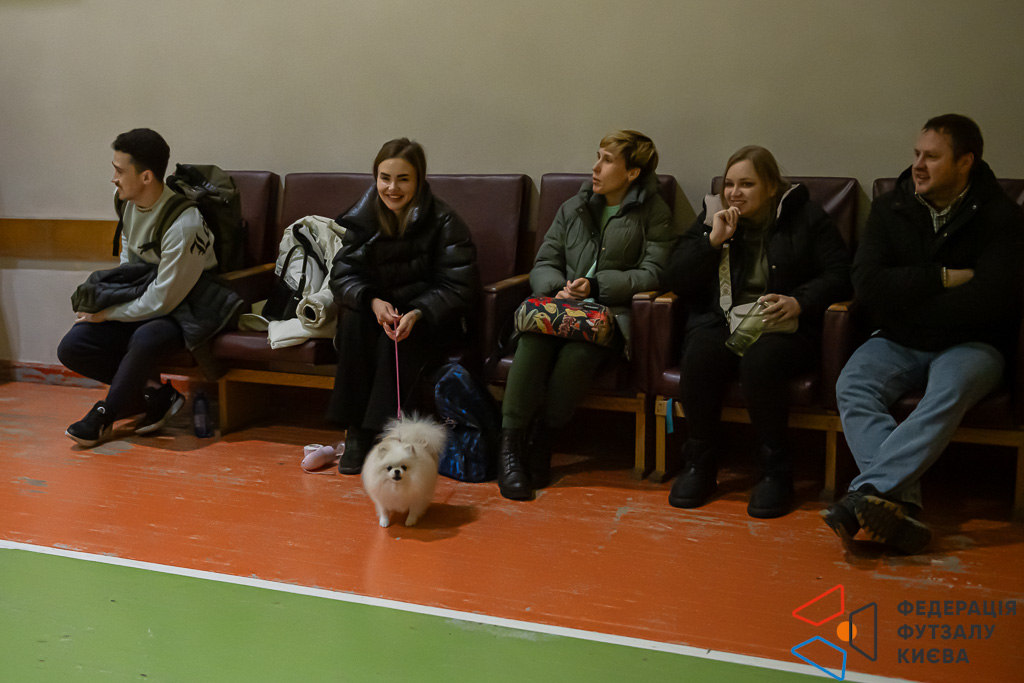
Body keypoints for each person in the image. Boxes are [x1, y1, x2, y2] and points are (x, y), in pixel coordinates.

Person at [824, 115, 1024, 553]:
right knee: (852, 384)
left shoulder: (1003, 217)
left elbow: (992, 300)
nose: (917, 165)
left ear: (965, 162)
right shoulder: (891, 207)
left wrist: (908, 295)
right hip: (898, 337)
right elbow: (868, 285)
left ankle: (865, 494)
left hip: (973, 343)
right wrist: (942, 278)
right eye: (916, 154)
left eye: (932, 157)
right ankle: (898, 505)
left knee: (948, 389)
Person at [667, 146, 852, 518]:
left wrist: (800, 301)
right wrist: (711, 241)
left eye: (747, 184)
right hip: (724, 322)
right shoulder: (712, 215)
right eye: (729, 184)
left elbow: (840, 275)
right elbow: (674, 278)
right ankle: (700, 463)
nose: (734, 193)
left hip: (784, 327)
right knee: (700, 354)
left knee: (761, 359)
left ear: (770, 187)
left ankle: (775, 470)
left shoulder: (806, 217)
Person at [497, 130, 674, 501]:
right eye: (597, 157)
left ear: (632, 173)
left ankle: (543, 438)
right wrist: (556, 288)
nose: (595, 168)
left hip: (607, 319)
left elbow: (654, 274)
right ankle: (510, 448)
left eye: (607, 161)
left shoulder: (654, 212)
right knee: (534, 339)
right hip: (557, 308)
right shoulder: (573, 207)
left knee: (579, 352)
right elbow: (544, 261)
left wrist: (596, 287)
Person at [58, 128, 228, 447]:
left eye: (120, 171)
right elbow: (130, 267)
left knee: (145, 336)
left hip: (190, 306)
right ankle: (156, 395)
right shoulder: (127, 203)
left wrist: (108, 314)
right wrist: (105, 305)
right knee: (73, 345)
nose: (113, 179)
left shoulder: (185, 224)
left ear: (146, 176)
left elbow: (164, 300)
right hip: (150, 294)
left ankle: (104, 416)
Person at [327, 138, 479, 474]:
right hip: (380, 311)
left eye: (403, 179)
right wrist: (372, 300)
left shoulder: (445, 221)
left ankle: (381, 434)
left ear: (419, 180)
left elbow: (460, 286)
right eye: (385, 178)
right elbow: (343, 275)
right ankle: (355, 431)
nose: (392, 188)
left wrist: (419, 311)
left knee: (396, 338)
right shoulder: (363, 217)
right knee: (353, 321)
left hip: (429, 318)